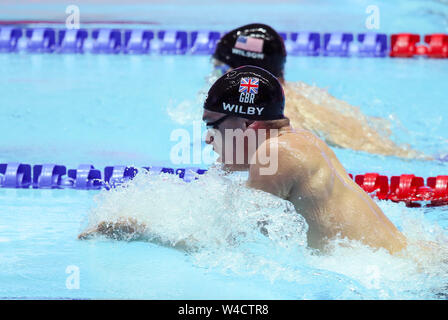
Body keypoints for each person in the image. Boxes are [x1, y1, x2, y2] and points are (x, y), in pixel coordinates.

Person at [79, 66, 408, 256]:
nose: (207, 138)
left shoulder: (275, 154)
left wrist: (140, 228)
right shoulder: (301, 139)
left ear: (248, 125)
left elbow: (225, 244)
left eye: (213, 125)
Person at [212, 23, 430, 160]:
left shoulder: (271, 110)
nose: (214, 77)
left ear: (245, 71)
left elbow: (291, 151)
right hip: (395, 150)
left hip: (374, 157)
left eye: (221, 69)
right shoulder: (307, 93)